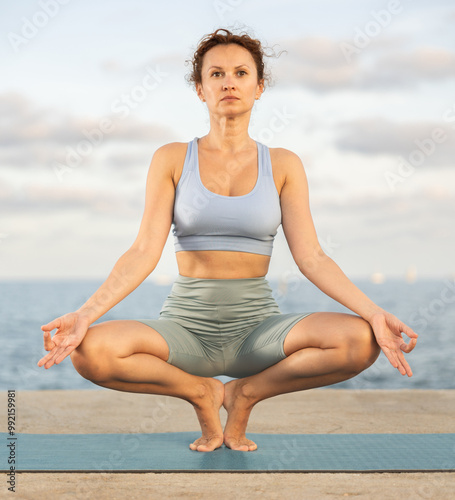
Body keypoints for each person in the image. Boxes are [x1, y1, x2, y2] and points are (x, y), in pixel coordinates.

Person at [38, 28, 418, 453]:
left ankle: (245, 394)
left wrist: (375, 313)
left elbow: (312, 255)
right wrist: (85, 315)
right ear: (200, 89)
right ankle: (200, 393)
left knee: (361, 341)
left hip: (258, 330)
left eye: (241, 72)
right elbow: (144, 251)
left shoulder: (284, 164)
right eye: (216, 74)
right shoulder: (171, 158)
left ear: (259, 86)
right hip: (185, 329)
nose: (229, 82)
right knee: (88, 353)